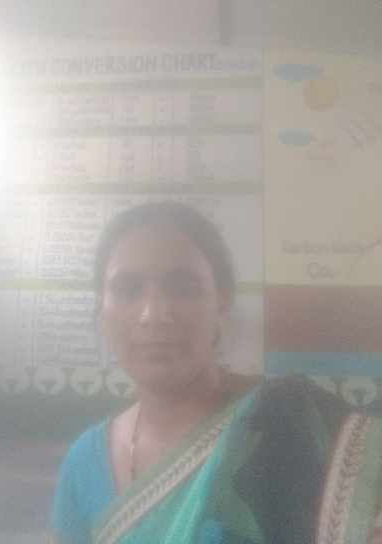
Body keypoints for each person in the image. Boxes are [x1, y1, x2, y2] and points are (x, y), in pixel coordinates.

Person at [50, 201, 382, 544]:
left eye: (183, 288)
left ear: (221, 300)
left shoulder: (292, 425)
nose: (154, 313)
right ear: (101, 309)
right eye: (128, 289)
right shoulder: (83, 465)